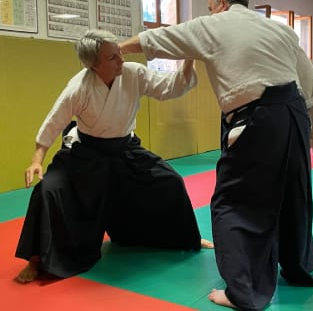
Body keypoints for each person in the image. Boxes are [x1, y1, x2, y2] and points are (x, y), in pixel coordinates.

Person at [119, 0, 313, 310]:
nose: (207, 11)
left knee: (233, 202)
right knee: (293, 194)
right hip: (294, 113)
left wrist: (116, 49)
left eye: (208, 6)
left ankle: (242, 292)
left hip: (257, 119)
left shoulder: (214, 24)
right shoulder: (278, 29)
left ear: (219, 3)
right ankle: (299, 266)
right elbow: (308, 76)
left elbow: (158, 38)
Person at [15, 29, 213, 284]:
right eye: (113, 58)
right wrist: (36, 160)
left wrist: (189, 59)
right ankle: (36, 260)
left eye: (119, 54)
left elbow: (171, 87)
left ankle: (186, 237)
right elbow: (53, 123)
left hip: (125, 150)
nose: (121, 60)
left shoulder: (133, 73)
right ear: (94, 65)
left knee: (170, 181)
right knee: (48, 190)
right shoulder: (79, 87)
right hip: (87, 153)